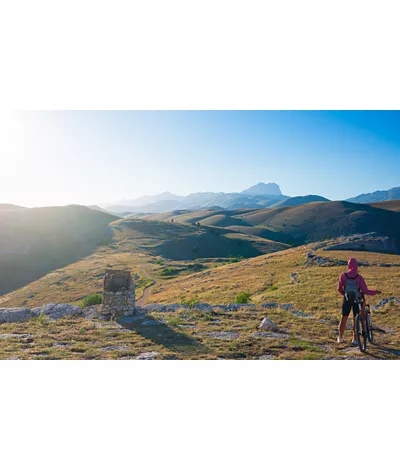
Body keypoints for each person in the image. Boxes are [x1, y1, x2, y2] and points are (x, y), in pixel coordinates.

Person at [337, 258, 381, 345]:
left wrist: (345, 295)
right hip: (357, 300)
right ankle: (355, 339)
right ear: (356, 266)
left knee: (343, 319)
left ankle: (340, 337)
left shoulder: (343, 276)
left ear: (348, 265)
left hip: (347, 300)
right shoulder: (359, 278)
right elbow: (365, 291)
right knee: (355, 319)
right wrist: (375, 292)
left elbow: (339, 288)